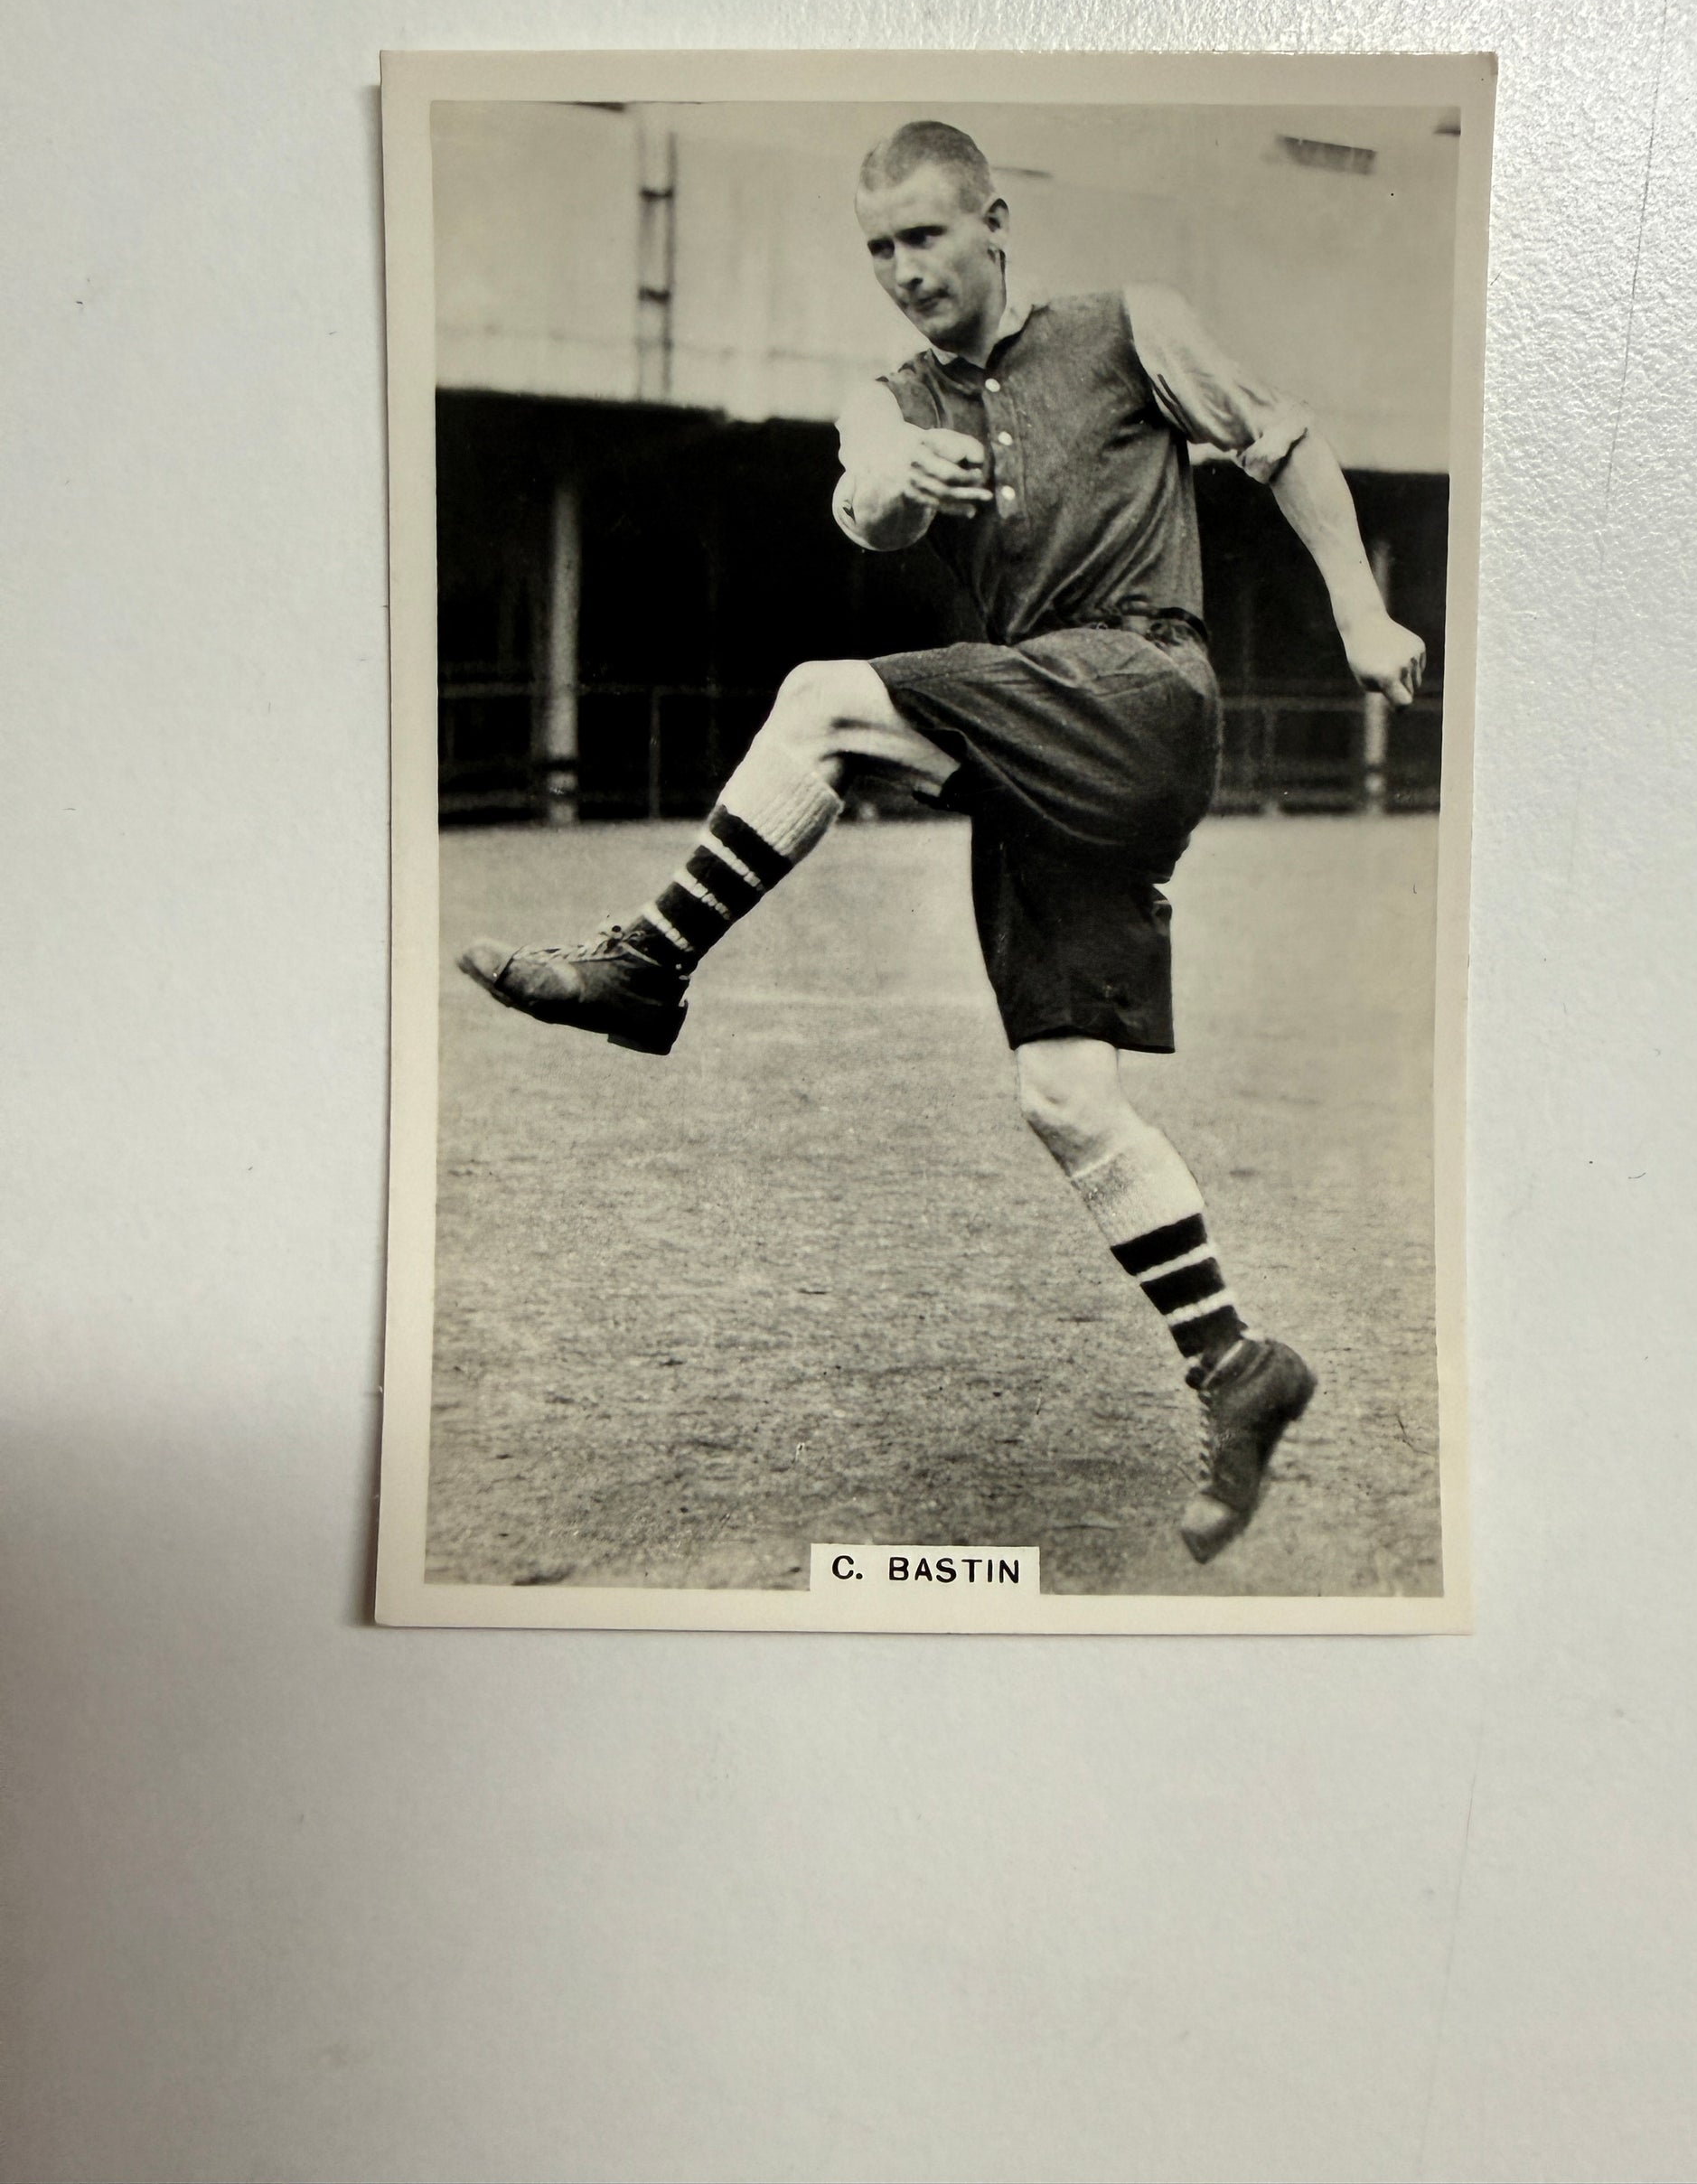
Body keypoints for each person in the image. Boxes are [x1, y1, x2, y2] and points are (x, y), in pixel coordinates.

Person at [461, 119, 1426, 1566]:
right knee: (1064, 1097)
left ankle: (647, 967)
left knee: (822, 704)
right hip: (1040, 737)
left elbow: (1283, 442)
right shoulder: (892, 394)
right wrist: (900, 484)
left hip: (1142, 687)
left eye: (923, 235)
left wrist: (1358, 610)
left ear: (993, 220)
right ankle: (1238, 1364)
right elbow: (864, 494)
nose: (902, 271)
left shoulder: (1128, 327)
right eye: (876, 251)